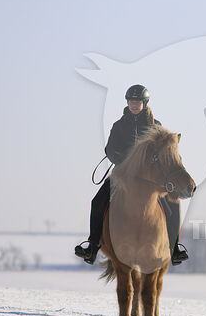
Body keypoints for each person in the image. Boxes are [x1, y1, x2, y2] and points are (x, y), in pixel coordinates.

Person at [74, 84, 189, 266]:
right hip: (123, 174)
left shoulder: (155, 126)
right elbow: (110, 149)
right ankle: (92, 246)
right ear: (127, 102)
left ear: (144, 103)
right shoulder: (119, 126)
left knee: (172, 203)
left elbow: (167, 152)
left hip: (152, 178)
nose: (134, 104)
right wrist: (125, 162)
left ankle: (174, 248)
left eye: (138, 101)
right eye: (131, 101)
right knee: (97, 201)